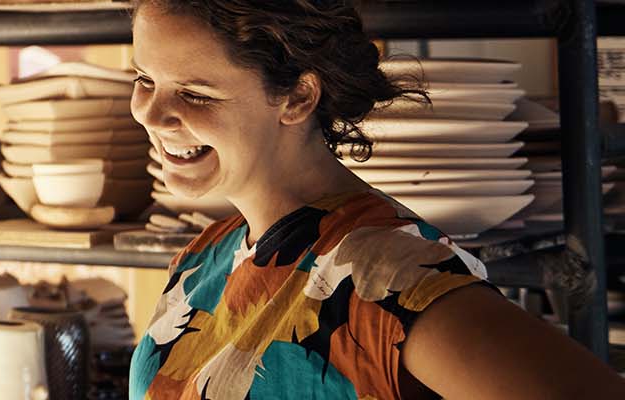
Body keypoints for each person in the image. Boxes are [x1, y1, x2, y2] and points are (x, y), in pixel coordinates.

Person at [127, 0, 625, 398]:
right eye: (144, 79)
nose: (150, 112)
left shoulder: (386, 277)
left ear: (299, 97)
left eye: (195, 93)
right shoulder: (203, 258)